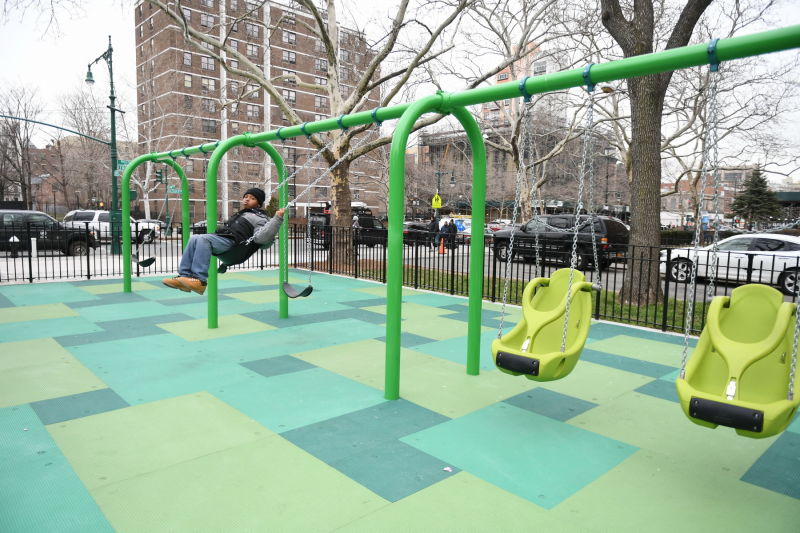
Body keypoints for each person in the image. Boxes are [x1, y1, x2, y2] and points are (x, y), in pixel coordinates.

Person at [162, 188, 285, 295]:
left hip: (236, 246)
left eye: (252, 198)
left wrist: (277, 218)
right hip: (226, 240)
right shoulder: (242, 214)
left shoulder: (260, 218)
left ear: (259, 203)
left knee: (204, 239)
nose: (247, 199)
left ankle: (200, 280)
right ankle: (184, 276)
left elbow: (261, 239)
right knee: (194, 238)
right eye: (246, 197)